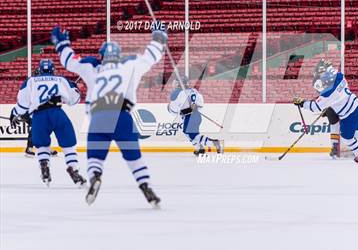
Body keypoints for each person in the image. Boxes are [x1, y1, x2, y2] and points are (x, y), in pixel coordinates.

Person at [51, 23, 165, 207]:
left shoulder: (92, 67)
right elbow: (151, 56)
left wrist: (62, 44)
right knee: (133, 157)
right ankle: (145, 185)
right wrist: (159, 38)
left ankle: (95, 176)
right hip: (121, 114)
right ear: (118, 55)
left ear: (101, 56)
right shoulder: (131, 64)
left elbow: (69, 61)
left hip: (99, 117)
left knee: (95, 156)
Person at [10, 59, 86, 186]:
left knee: (42, 144)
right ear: (52, 70)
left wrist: (14, 112)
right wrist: (75, 88)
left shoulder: (31, 81)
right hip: (57, 113)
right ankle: (73, 168)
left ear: (39, 69)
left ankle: (44, 167)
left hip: (39, 116)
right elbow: (73, 100)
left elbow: (22, 104)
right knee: (68, 144)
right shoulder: (61, 79)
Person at [293, 59, 358, 163]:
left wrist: (302, 103)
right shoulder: (340, 77)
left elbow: (316, 107)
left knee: (346, 137)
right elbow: (331, 76)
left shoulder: (328, 94)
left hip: (348, 115)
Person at [167, 76, 224, 156]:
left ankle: (214, 143)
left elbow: (173, 110)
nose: (175, 85)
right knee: (188, 133)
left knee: (193, 134)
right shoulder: (194, 91)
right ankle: (199, 148)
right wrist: (193, 107)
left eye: (176, 83)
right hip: (196, 116)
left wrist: (170, 107)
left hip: (190, 117)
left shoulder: (179, 93)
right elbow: (200, 105)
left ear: (180, 84)